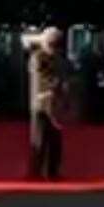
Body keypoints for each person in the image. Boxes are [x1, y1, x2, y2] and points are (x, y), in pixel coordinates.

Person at [27, 27, 70, 180]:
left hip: (55, 102)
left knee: (55, 139)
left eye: (56, 43)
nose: (54, 47)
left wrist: (63, 87)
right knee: (39, 139)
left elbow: (63, 74)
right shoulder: (38, 57)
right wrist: (55, 85)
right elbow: (40, 77)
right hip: (41, 102)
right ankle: (35, 172)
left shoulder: (58, 58)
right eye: (51, 43)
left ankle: (53, 171)